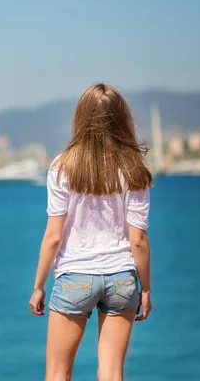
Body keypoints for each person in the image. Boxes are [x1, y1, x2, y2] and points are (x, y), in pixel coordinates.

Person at [29, 83, 153, 381]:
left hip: (75, 277)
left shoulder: (62, 167)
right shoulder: (133, 167)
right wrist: (146, 290)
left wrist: (38, 286)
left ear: (81, 118)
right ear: (122, 118)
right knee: (111, 373)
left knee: (58, 374)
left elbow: (54, 237)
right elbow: (138, 240)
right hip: (122, 279)